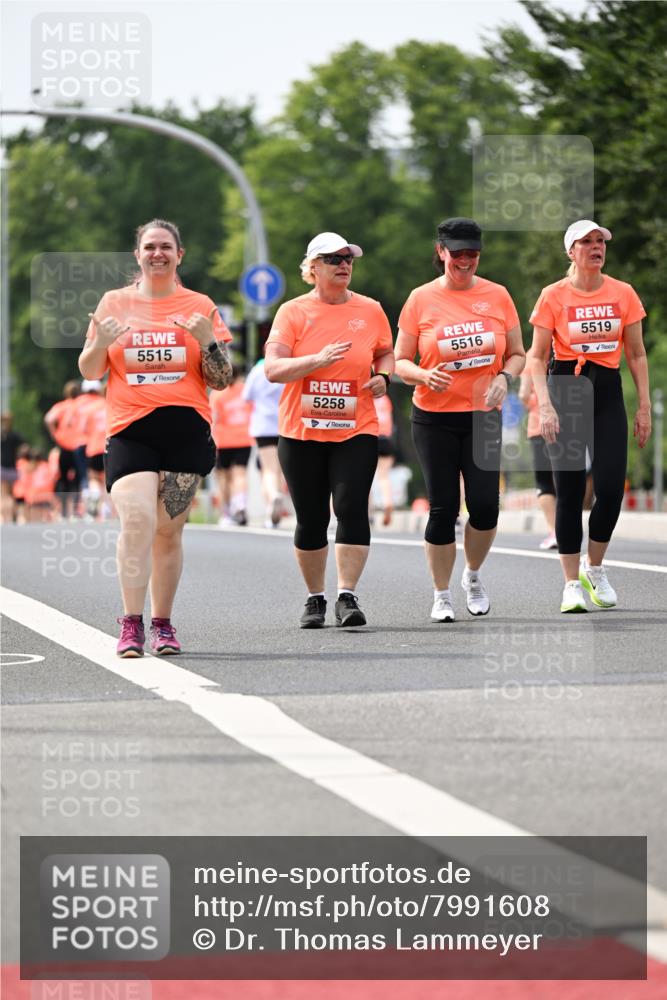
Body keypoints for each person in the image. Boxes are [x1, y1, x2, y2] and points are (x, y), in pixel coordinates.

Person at [79, 218, 232, 656]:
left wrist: (208, 341)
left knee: (168, 533)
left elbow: (220, 380)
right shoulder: (114, 303)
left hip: (185, 430)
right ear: (138, 255)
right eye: (150, 246)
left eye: (166, 246)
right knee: (138, 521)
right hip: (131, 430)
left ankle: (163, 624)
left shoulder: (200, 305)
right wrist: (97, 344)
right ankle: (131, 624)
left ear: (179, 254)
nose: (158, 253)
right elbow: (91, 371)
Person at [395, 217, 525, 622]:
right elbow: (400, 361)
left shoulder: (498, 295)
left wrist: (506, 377)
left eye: (472, 254)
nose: (465, 261)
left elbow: (518, 353)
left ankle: (472, 575)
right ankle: (441, 594)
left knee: (486, 506)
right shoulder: (420, 299)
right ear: (441, 253)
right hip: (433, 416)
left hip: (483, 414)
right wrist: (422, 374)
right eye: (457, 254)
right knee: (443, 508)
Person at [264, 231, 394, 628]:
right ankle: (315, 598)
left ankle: (347, 595)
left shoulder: (370, 309)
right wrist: (315, 360)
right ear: (312, 268)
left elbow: (385, 352)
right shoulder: (292, 312)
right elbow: (273, 369)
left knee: (353, 508)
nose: (343, 264)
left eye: (348, 258)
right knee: (311, 518)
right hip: (301, 432)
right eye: (333, 258)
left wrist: (383, 377)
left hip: (356, 428)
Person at [529, 219, 651, 613]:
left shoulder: (623, 293)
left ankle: (594, 569)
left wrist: (644, 406)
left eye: (601, 241)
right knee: (568, 490)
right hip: (566, 386)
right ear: (571, 251)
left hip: (607, 389)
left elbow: (635, 353)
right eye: (587, 242)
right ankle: (569, 584)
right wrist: (545, 404)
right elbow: (535, 356)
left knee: (612, 488)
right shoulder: (553, 295)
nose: (596, 247)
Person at [242, 354, 286, 528]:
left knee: (268, 469)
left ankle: (273, 498)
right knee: (280, 470)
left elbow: (246, 396)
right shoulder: (286, 367)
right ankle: (276, 501)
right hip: (283, 424)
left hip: (263, 425)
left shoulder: (256, 371)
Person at [518, 353, 557, 549]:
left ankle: (554, 531)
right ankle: (568, 528)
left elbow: (523, 394)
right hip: (568, 423)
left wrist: (536, 406)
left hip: (539, 424)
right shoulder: (565, 347)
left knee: (544, 481)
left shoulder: (532, 355)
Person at [210, 366, 253, 526]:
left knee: (223, 478)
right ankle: (240, 504)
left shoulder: (217, 394)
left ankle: (226, 514)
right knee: (240, 475)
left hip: (222, 441)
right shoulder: (245, 390)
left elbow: (214, 418)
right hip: (244, 438)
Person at [44, 380, 82, 518]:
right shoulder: (81, 405)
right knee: (78, 478)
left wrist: (55, 434)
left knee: (64, 479)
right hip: (79, 445)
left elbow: (48, 419)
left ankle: (64, 510)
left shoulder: (61, 406)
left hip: (64, 445)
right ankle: (77, 509)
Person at [371, 391, 395, 526]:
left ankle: (369, 514)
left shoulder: (366, 397)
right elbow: (390, 421)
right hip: (386, 438)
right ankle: (387, 502)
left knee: (364, 477)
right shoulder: (385, 398)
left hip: (370, 436)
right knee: (384, 477)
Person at [1, 413, 24, 523]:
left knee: (4, 495)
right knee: (12, 494)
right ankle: (13, 516)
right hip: (12, 467)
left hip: (3, 467)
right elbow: (24, 447)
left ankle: (5, 517)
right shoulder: (14, 435)